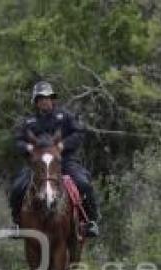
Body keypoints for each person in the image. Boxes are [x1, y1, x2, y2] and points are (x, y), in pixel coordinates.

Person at [8, 81, 100, 237]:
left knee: (84, 183)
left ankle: (91, 221)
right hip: (37, 165)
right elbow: (17, 141)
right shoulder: (29, 122)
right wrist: (28, 148)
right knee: (17, 187)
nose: (45, 101)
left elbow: (79, 133)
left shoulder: (65, 117)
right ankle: (18, 223)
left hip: (64, 161)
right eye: (41, 98)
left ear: (52, 99)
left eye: (48, 97)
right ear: (36, 102)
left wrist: (64, 144)